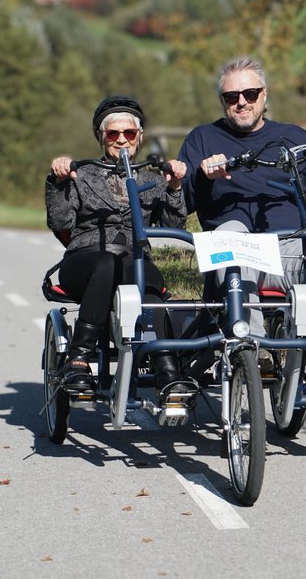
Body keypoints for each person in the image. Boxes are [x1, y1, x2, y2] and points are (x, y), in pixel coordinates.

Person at [178, 57, 306, 426]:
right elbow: (179, 204)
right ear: (222, 101)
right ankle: (253, 347)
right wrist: (201, 176)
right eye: (231, 96)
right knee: (231, 236)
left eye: (249, 93)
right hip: (234, 254)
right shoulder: (202, 139)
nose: (241, 102)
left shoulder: (292, 137)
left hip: (288, 250)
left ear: (264, 95)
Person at [45, 95, 193, 399]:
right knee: (107, 264)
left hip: (134, 261)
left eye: (128, 133)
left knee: (150, 283)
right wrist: (59, 180)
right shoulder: (81, 174)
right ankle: (78, 358)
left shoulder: (153, 177)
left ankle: (167, 372)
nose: (121, 140)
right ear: (102, 138)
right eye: (113, 134)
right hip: (85, 259)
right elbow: (60, 220)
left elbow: (175, 227)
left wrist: (176, 187)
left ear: (139, 137)